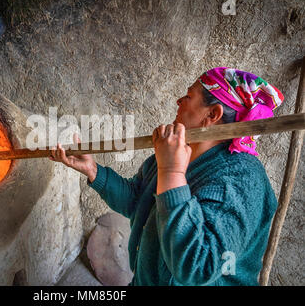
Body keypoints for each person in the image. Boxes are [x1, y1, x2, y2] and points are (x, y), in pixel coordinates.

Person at [49, 67, 284, 286]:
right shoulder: (174, 152)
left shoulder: (241, 181)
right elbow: (137, 202)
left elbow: (197, 266)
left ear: (213, 113)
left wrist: (172, 172)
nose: (179, 101)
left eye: (189, 97)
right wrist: (94, 171)